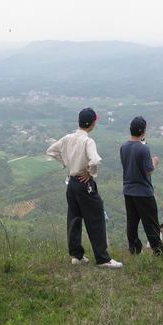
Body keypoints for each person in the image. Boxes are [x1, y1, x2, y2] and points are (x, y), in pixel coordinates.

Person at [46, 108, 123, 269]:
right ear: (93, 123)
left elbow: (51, 151)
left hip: (71, 183)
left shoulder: (68, 138)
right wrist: (90, 173)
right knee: (96, 218)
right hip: (84, 183)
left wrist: (66, 163)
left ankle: (77, 256)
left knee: (74, 218)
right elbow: (94, 161)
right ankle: (103, 258)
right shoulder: (88, 141)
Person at [120, 116, 163, 255]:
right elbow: (149, 171)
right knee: (150, 223)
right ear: (143, 131)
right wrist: (155, 161)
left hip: (128, 191)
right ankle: (158, 251)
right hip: (143, 193)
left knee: (132, 222)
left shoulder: (124, 147)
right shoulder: (144, 149)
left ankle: (134, 249)